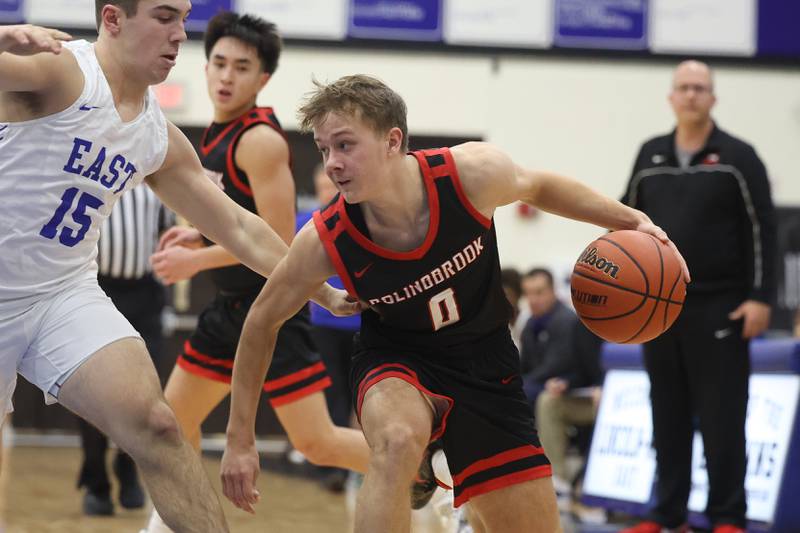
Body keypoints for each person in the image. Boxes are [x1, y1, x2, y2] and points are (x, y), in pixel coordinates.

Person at [220, 74, 689, 532]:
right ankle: (420, 456)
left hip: (485, 363)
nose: (332, 163)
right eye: (324, 150)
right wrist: (240, 440)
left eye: (345, 145)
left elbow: (540, 187)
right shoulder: (328, 237)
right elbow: (261, 320)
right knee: (398, 440)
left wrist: (634, 221)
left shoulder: (469, 175)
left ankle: (462, 495)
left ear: (392, 140)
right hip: (397, 360)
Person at [0, 2, 355, 531]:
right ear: (114, 20)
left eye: (184, 18)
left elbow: (240, 227)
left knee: (160, 425)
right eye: (165, 17)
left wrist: (319, 290)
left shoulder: (153, 134)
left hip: (62, 295)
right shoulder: (63, 73)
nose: (181, 34)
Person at [142, 11, 370, 532]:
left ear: (262, 78)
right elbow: (229, 216)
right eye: (218, 63)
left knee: (318, 444)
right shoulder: (217, 134)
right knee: (172, 423)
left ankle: (432, 470)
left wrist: (194, 259)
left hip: (273, 310)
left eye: (241, 67)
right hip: (228, 310)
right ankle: (176, 522)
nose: (226, 76)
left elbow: (280, 241)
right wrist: (194, 234)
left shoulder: (259, 141)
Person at [620, 60, 776, 533]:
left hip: (721, 305)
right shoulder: (649, 154)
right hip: (659, 309)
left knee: (722, 417)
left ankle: (727, 516)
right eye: (683, 88)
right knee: (665, 415)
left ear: (713, 98)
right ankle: (666, 514)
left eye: (700, 88)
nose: (691, 95)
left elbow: (763, 230)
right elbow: (625, 223)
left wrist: (761, 297)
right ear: (671, 97)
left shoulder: (738, 157)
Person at [77, 183, 171, 516]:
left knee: (144, 393)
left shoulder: (156, 184)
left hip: (145, 296)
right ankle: (96, 479)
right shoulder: (91, 178)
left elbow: (168, 235)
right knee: (92, 390)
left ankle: (128, 466)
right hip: (97, 290)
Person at [298, 163, 363, 493]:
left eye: (332, 185)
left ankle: (364, 465)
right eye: (322, 185)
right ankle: (336, 467)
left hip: (362, 323)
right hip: (323, 323)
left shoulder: (360, 219)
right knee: (334, 392)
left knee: (363, 396)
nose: (328, 190)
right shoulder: (305, 222)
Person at [519, 268, 577, 406]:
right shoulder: (530, 324)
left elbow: (554, 366)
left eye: (539, 293)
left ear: (552, 291)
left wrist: (520, 383)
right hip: (538, 382)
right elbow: (523, 364)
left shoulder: (567, 320)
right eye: (528, 294)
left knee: (521, 393)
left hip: (565, 384)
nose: (532, 300)